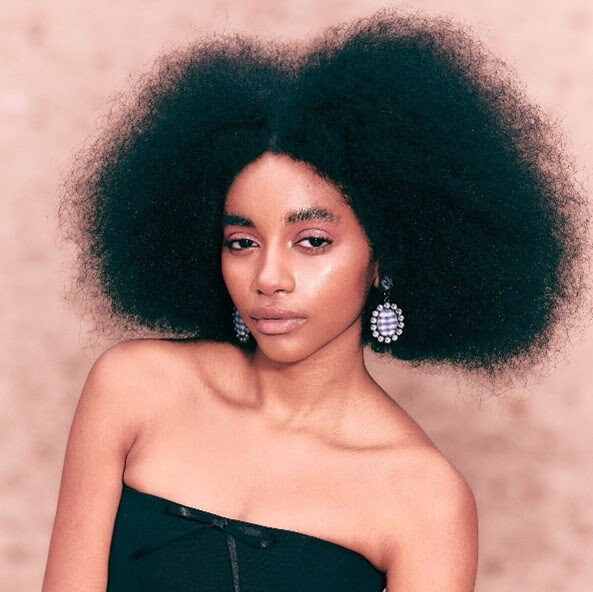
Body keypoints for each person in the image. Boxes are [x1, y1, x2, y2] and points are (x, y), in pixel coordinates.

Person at [42, 7, 590, 592]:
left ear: (385, 256)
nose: (268, 277)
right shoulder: (135, 387)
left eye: (312, 242)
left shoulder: (425, 499)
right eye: (242, 242)